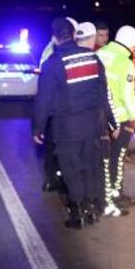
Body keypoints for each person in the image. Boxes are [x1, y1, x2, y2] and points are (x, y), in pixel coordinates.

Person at [33, 18, 117, 229]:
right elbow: (103, 95)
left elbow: (43, 100)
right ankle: (91, 207)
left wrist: (38, 128)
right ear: (73, 34)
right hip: (92, 125)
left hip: (66, 127)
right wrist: (111, 122)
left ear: (54, 37)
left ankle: (78, 212)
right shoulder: (93, 58)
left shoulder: (52, 63)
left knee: (72, 169)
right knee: (89, 165)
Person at [97, 25, 135, 215]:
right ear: (132, 45)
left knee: (103, 159)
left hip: (99, 117)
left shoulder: (100, 53)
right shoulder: (126, 63)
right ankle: (116, 195)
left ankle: (103, 193)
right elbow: (127, 95)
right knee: (117, 157)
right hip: (120, 118)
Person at [39, 17, 79, 194]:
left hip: (62, 108)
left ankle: (57, 179)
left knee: (58, 148)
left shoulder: (54, 51)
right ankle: (53, 180)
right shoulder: (51, 54)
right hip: (57, 110)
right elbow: (46, 88)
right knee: (53, 148)